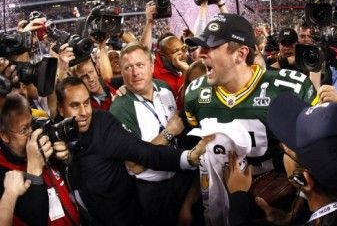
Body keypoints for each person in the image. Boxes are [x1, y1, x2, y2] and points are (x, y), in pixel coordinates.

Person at [185, 13, 317, 224]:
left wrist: (296, 209)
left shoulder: (289, 89)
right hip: (220, 204)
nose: (200, 54)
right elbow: (201, 157)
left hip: (278, 203)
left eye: (210, 47)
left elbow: (314, 160)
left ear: (240, 53)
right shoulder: (195, 95)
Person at [57, 76, 212, 225]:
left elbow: (143, 151)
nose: (84, 112)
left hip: (122, 218)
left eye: (86, 103)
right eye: (75, 106)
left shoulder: (102, 124)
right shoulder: (52, 136)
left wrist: (189, 158)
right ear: (60, 108)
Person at [227, 93, 337, 226]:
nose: (283, 146)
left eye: (286, 147)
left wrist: (237, 198)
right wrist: (295, 215)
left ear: (304, 180)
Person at [110, 42, 192, 225]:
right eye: (128, 67)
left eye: (140, 65)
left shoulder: (165, 88)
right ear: (121, 73)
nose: (135, 72)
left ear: (152, 66)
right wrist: (169, 133)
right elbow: (136, 166)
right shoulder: (120, 108)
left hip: (181, 180)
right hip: (151, 193)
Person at [0, 93, 80, 226]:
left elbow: (76, 183)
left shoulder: (44, 144)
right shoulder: (4, 173)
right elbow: (36, 219)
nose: (32, 133)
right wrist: (35, 170)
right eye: (24, 130)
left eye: (31, 124)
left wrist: (66, 160)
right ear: (4, 136)